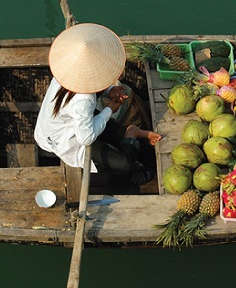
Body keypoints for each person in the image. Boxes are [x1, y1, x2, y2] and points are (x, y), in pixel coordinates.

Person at [34, 23, 161, 187]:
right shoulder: (84, 99)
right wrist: (109, 109)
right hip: (66, 138)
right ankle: (131, 135)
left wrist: (110, 90)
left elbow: (91, 83)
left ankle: (129, 133)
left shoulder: (65, 71)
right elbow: (85, 138)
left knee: (107, 130)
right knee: (124, 165)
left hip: (71, 122)